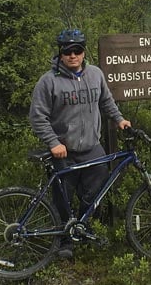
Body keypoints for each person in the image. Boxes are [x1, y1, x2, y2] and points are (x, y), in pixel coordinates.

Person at [29, 28, 131, 259]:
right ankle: (64, 242)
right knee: (62, 198)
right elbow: (37, 116)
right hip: (63, 152)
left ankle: (82, 229)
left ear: (84, 52)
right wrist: (53, 143)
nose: (72, 55)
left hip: (93, 148)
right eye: (67, 51)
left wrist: (119, 119)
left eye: (77, 50)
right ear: (61, 53)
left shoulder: (95, 74)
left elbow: (106, 101)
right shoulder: (48, 81)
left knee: (95, 193)